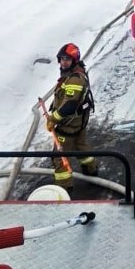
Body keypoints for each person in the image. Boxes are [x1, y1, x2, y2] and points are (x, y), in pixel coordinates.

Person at [47, 42, 96, 186]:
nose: (63, 62)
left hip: (68, 125)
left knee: (59, 157)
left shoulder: (74, 79)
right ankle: (91, 170)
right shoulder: (75, 74)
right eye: (62, 59)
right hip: (79, 122)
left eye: (67, 59)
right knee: (81, 147)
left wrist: (53, 119)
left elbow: (69, 105)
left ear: (74, 60)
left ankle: (64, 186)